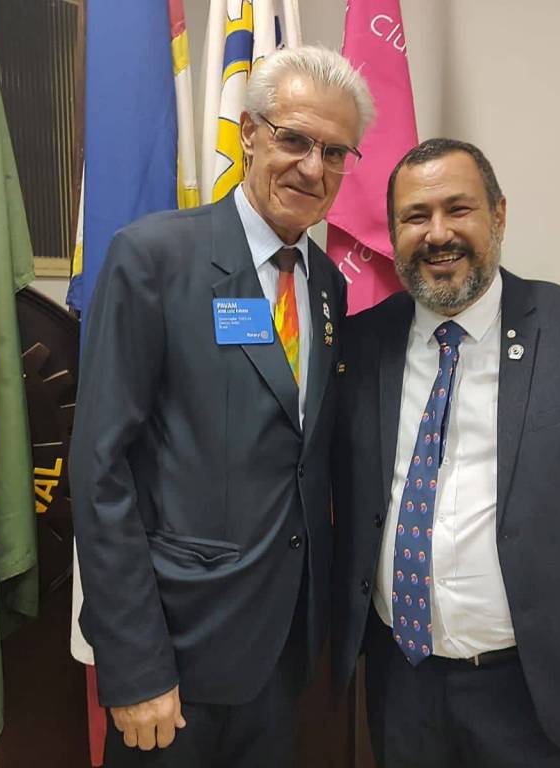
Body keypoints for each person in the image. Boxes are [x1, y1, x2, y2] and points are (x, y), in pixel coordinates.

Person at [70, 46, 374, 768]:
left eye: (335, 152)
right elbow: (101, 470)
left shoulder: (327, 284)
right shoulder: (153, 258)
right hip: (176, 656)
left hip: (283, 652)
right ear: (249, 134)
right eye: (294, 139)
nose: (312, 168)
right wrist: (136, 664)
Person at [331, 138, 560, 766]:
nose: (438, 233)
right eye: (416, 216)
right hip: (402, 682)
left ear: (498, 214)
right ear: (393, 234)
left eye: (458, 208)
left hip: (539, 685)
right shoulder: (361, 343)